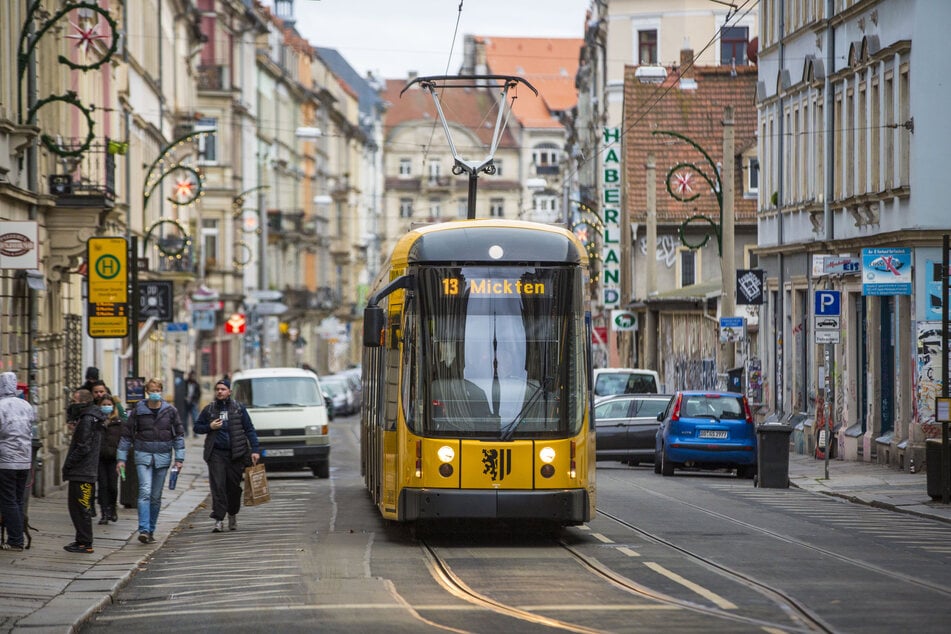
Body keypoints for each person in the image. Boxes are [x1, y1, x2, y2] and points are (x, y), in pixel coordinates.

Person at [116, 378, 185, 544]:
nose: (155, 393)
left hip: (163, 457)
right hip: (143, 455)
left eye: (157, 390)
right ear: (147, 392)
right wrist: (121, 458)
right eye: (152, 390)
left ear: (161, 391)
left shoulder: (170, 411)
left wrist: (179, 459)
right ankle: (144, 529)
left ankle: (151, 529)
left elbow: (178, 435)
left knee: (155, 496)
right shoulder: (138, 410)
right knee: (145, 491)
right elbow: (127, 435)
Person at [194, 378, 260, 533]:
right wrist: (209, 427)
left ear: (229, 392)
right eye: (217, 389)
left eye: (223, 389)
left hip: (236, 454)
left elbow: (249, 429)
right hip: (216, 453)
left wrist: (255, 449)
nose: (219, 392)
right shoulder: (209, 409)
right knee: (218, 486)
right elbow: (197, 427)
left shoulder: (238, 408)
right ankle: (218, 519)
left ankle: (232, 513)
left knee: (233, 488)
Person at [62, 389, 104, 554]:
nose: (72, 403)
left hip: (83, 471)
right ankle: (82, 540)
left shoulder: (88, 419)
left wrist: (69, 464)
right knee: (79, 507)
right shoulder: (92, 418)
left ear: (82, 402)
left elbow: (83, 446)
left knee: (81, 507)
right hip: (85, 470)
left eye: (74, 400)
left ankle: (85, 542)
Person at [0, 372, 37, 552]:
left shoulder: (1, 406)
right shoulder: (26, 405)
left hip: (6, 460)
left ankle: (15, 540)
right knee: (18, 500)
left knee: (8, 500)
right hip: (24, 459)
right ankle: (18, 536)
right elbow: (31, 427)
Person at [96, 394, 123, 525]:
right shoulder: (96, 422)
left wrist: (122, 457)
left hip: (114, 458)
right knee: (102, 486)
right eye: (104, 405)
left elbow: (123, 440)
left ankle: (113, 508)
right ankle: (104, 513)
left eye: (109, 405)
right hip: (100, 458)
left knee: (113, 486)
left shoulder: (118, 422)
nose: (106, 407)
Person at [184, 370, 201, 437]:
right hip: (186, 403)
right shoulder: (185, 383)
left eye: (193, 376)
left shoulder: (196, 384)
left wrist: (196, 400)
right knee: (185, 418)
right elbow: (182, 390)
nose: (192, 377)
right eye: (191, 376)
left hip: (193, 402)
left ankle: (195, 433)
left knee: (195, 418)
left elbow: (199, 393)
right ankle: (186, 433)